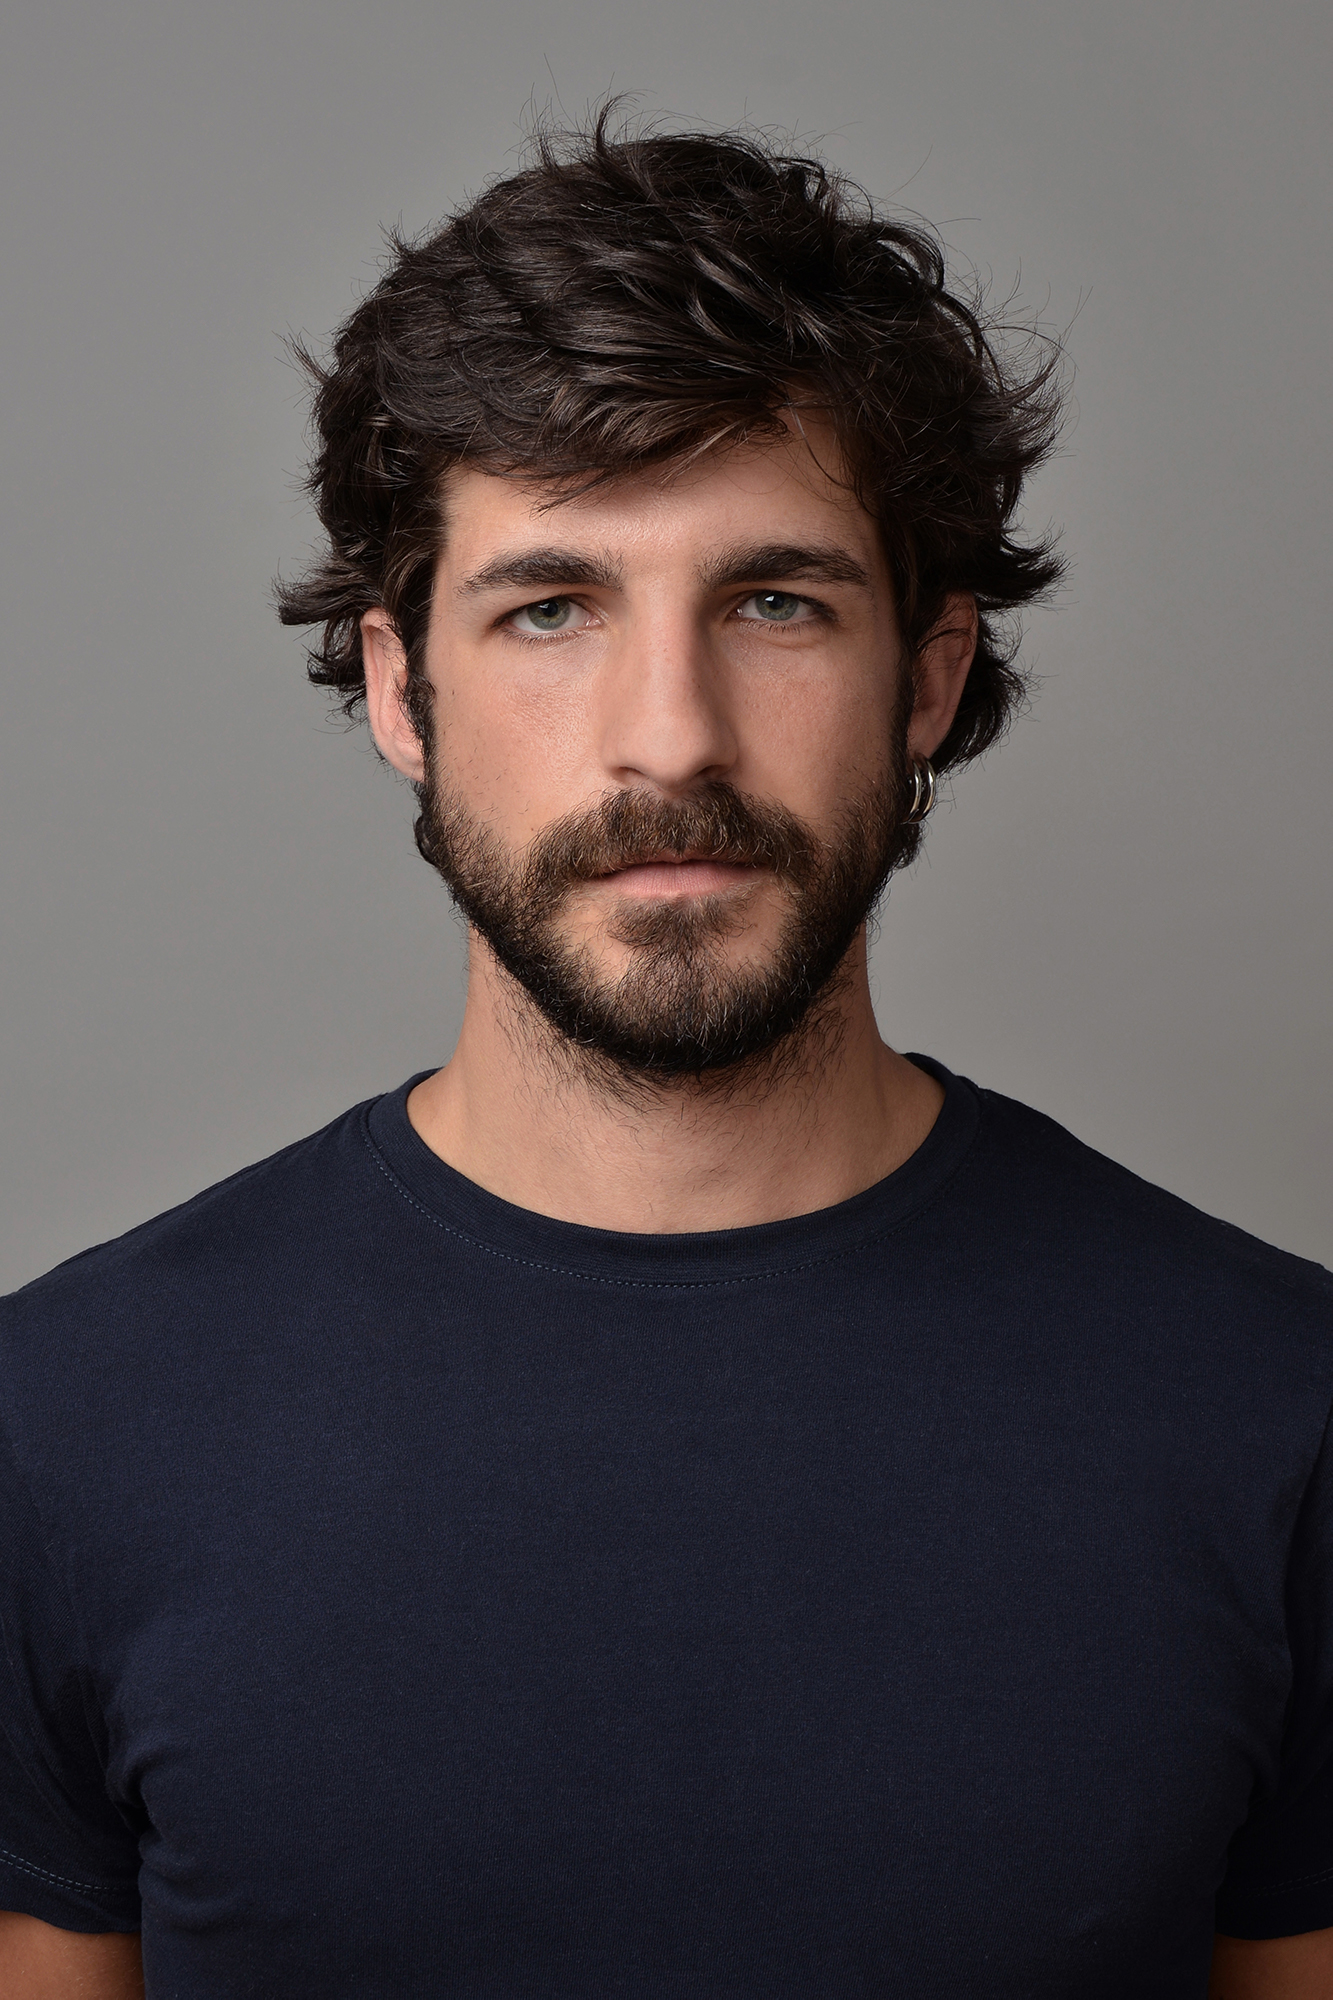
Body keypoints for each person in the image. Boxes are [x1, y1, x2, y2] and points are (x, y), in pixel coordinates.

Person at [0, 116, 1329, 2000]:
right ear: (402, 691)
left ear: (929, 679)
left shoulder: (1280, 1414)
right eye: (551, 607)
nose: (670, 737)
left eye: (773, 601)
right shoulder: (56, 1432)